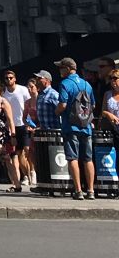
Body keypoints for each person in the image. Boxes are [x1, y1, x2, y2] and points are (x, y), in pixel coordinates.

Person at [55, 56, 96, 201]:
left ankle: (78, 190)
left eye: (61, 67)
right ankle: (90, 190)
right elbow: (93, 105)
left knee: (73, 158)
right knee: (88, 159)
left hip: (71, 126)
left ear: (67, 69)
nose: (59, 70)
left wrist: (57, 112)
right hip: (86, 126)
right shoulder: (87, 84)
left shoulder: (65, 83)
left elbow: (63, 105)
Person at [1, 68, 30, 186]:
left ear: (15, 79)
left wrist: (29, 120)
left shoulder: (22, 90)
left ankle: (28, 174)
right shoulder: (4, 93)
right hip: (11, 126)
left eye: (11, 78)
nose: (9, 80)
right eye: (7, 78)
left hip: (23, 124)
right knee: (14, 154)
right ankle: (19, 178)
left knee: (24, 152)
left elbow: (28, 105)